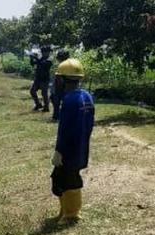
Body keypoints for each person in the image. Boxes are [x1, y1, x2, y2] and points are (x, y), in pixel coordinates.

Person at [51, 58, 94, 225]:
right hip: (82, 146)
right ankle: (66, 211)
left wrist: (58, 151)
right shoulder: (88, 96)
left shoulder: (68, 100)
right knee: (66, 176)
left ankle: (71, 214)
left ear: (62, 80)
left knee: (68, 180)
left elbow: (64, 130)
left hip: (69, 148)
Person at [29, 46, 54, 112]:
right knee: (32, 91)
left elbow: (43, 64)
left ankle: (46, 107)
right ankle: (38, 104)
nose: (44, 53)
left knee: (44, 93)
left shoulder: (49, 60)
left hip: (45, 79)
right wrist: (31, 58)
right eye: (43, 52)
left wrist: (36, 58)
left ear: (48, 52)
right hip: (38, 78)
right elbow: (32, 64)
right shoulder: (41, 58)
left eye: (45, 52)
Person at [50, 49, 71, 122]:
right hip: (60, 87)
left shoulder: (66, 66)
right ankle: (57, 116)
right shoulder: (63, 65)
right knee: (55, 101)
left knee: (58, 102)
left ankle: (58, 116)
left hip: (63, 87)